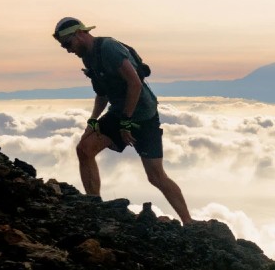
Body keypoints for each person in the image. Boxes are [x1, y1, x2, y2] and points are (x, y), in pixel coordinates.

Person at [53, 17, 193, 224]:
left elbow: (134, 83)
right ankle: (94, 205)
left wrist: (127, 121)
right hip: (120, 113)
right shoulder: (88, 58)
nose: (67, 50)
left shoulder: (109, 48)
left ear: (80, 34)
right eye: (63, 46)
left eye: (67, 44)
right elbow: (102, 94)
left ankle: (188, 222)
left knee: (155, 176)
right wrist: (93, 120)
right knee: (84, 149)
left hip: (144, 116)